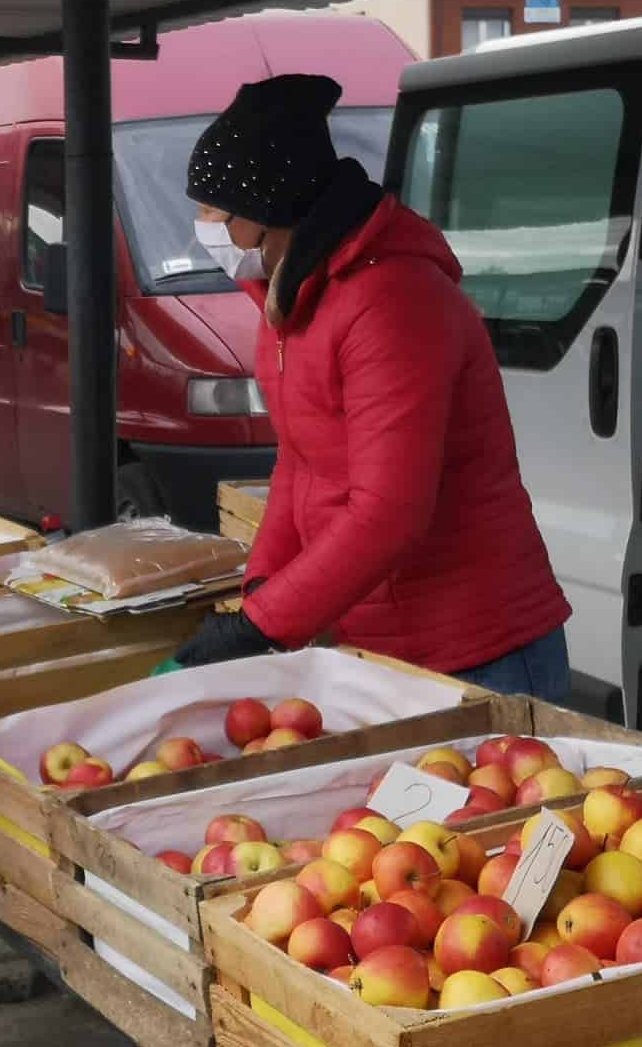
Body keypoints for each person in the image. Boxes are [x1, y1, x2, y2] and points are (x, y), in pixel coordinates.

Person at [163, 75, 573, 702]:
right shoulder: (292, 303)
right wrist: (261, 595)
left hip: (475, 652)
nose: (202, 227)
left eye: (215, 211)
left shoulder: (391, 303)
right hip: (382, 645)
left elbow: (390, 512)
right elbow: (299, 465)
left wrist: (264, 626)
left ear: (268, 213)